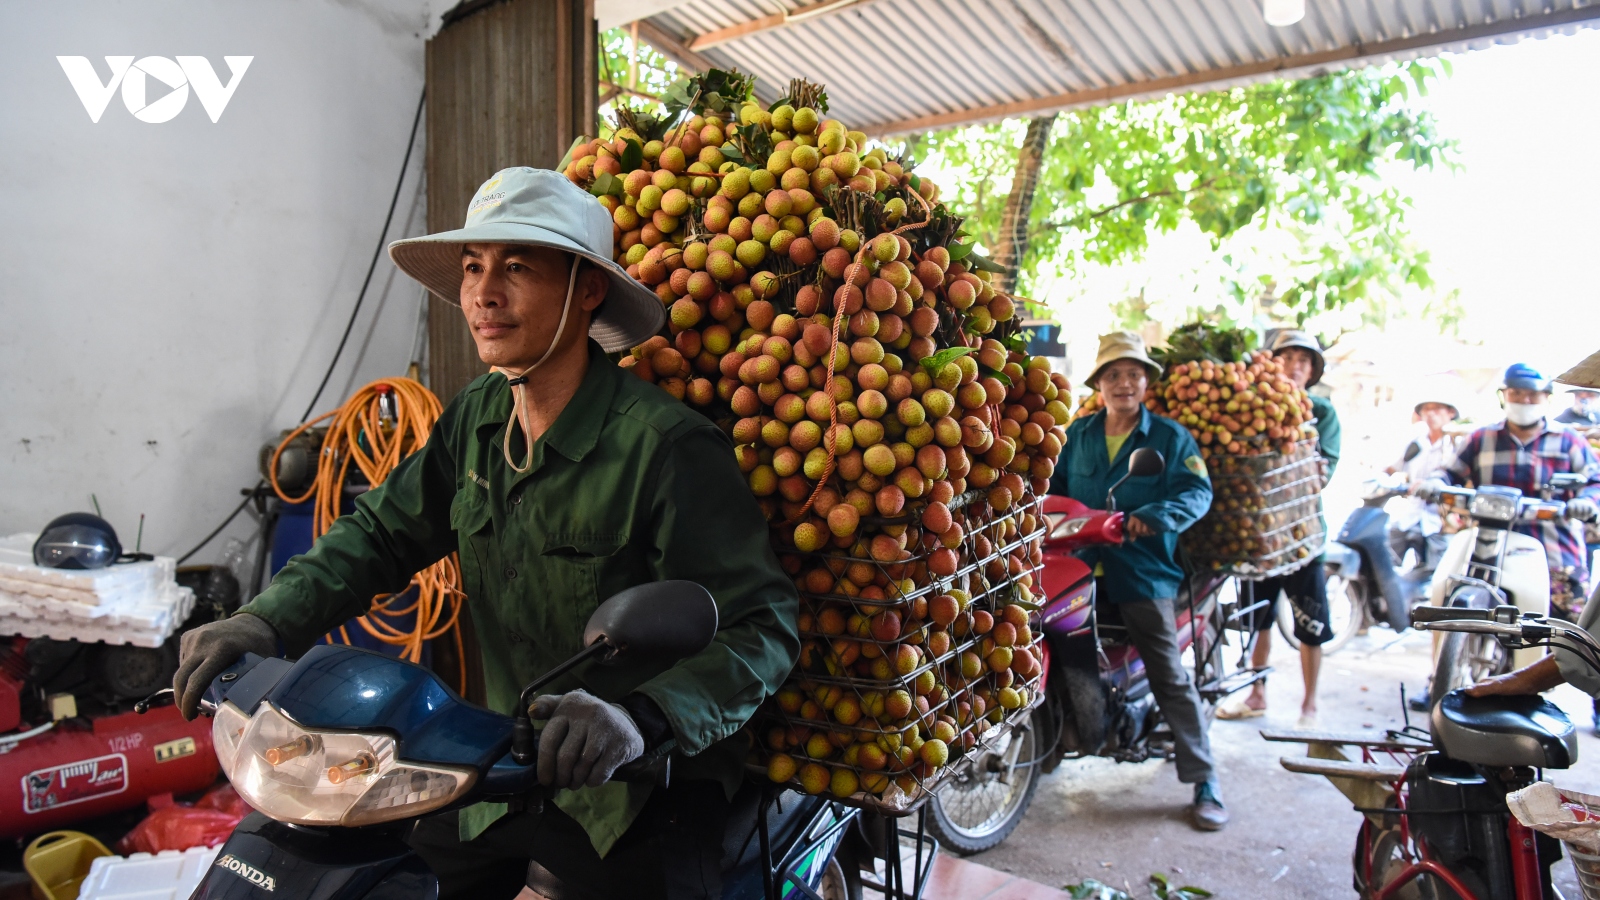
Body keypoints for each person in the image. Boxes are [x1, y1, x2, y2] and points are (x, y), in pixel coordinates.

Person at [170, 168, 800, 900]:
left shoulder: (664, 449)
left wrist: (643, 716)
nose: (483, 293)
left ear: (586, 290)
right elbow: (380, 533)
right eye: (473, 268)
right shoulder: (476, 418)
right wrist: (262, 618)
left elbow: (762, 626)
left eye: (518, 268)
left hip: (634, 790)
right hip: (500, 761)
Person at [1049, 332, 1226, 831]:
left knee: (1167, 670)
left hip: (1143, 569)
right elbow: (1053, 491)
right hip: (1076, 563)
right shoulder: (1077, 435)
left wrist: (1156, 514)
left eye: (1132, 374)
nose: (1123, 383)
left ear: (1146, 381)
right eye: (1112, 375)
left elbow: (1195, 492)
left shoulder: (1168, 439)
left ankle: (1205, 779)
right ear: (1099, 385)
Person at [1219, 330, 1340, 729]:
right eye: (1288, 358)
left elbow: (1323, 473)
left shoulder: (1322, 412)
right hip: (1257, 535)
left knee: (1311, 624)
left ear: (1312, 371)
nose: (1295, 366)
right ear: (1273, 363)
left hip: (1302, 538)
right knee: (1259, 620)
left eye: (1304, 361)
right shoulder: (1252, 405)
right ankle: (1257, 693)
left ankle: (1311, 704)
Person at [1428, 363, 1600, 621]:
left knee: (1573, 628)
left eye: (1533, 394)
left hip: (1555, 550)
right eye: (1516, 393)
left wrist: (1587, 501)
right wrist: (1434, 482)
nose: (1524, 400)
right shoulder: (1481, 438)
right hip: (1488, 548)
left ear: (1547, 398)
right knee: (1445, 602)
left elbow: (1594, 481)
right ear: (1504, 395)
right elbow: (1450, 473)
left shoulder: (1569, 440)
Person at [1384, 395, 1461, 566]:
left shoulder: (1458, 444)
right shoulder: (1415, 442)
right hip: (1410, 515)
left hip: (1440, 522)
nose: (1431, 414)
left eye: (1437, 408)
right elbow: (1391, 468)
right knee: (1386, 557)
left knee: (1439, 573)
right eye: (1427, 409)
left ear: (1450, 412)